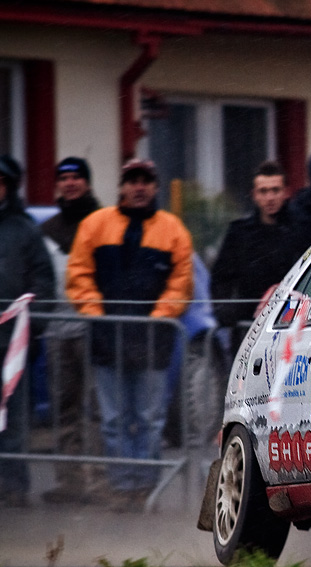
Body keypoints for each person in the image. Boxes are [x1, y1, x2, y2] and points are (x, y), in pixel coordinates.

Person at [66, 158, 194, 512]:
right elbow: (78, 274)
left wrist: (158, 317)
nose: (139, 187)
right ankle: (123, 485)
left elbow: (181, 282)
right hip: (107, 342)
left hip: (153, 343)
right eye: (132, 180)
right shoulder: (95, 225)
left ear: (155, 186)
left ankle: (146, 486)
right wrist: (96, 312)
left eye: (146, 181)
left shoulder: (173, 230)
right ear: (122, 186)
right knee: (114, 420)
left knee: (149, 420)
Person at [40, 156, 106, 504]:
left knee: (94, 409)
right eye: (63, 177)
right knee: (63, 406)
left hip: (93, 329)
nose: (70, 183)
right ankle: (69, 480)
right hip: (57, 331)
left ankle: (98, 480)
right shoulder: (47, 230)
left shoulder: (102, 223)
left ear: (87, 183)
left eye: (77, 177)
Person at [0, 155, 55, 508]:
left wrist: (32, 329)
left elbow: (44, 284)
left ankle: (14, 485)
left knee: (14, 422)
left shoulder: (25, 231)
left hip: (12, 347)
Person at [211, 161, 306, 355]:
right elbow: (221, 278)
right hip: (248, 331)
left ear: (286, 192)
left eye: (275, 190)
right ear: (254, 195)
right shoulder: (239, 233)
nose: (269, 197)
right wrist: (226, 311)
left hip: (292, 331)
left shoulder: (304, 230)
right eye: (263, 191)